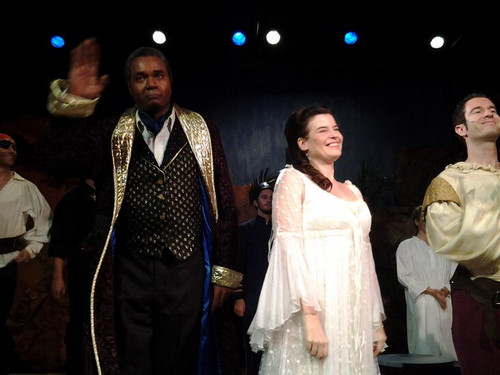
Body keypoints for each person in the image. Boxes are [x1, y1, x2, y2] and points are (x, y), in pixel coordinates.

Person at [41, 37, 242, 375]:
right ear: (129, 87)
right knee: (133, 357)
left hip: (185, 268)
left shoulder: (201, 129)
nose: (151, 82)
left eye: (158, 75)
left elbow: (223, 197)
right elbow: (59, 162)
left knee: (180, 356)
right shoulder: (112, 132)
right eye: (140, 77)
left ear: (170, 81)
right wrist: (75, 102)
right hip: (129, 268)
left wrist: (225, 270)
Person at [248, 105, 387, 374]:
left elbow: (365, 257)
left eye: (336, 128)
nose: (335, 134)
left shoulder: (352, 191)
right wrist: (311, 318)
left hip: (352, 310)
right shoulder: (293, 180)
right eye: (323, 130)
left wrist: (375, 322)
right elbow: (288, 250)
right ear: (303, 143)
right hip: (315, 306)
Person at [422, 92, 500, 375]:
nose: (488, 114)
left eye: (492, 109)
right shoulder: (449, 181)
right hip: (483, 300)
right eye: (477, 111)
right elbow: (449, 240)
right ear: (461, 129)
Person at [0, 133, 52, 375]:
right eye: (4, 145)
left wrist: (31, 249)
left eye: (14, 146)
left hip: (7, 260)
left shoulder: (24, 187)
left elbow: (44, 221)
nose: (11, 150)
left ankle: (11, 364)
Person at [48, 177, 97, 375]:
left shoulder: (113, 196)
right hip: (82, 268)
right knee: (79, 320)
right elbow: (60, 240)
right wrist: (58, 276)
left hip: (112, 271)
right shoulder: (72, 200)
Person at [395, 205, 457, 360]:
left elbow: (455, 273)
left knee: (449, 347)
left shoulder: (445, 247)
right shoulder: (407, 246)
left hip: (445, 302)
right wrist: (431, 291)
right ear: (417, 221)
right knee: (425, 348)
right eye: (424, 218)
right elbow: (405, 275)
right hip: (422, 302)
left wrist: (445, 290)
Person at [233, 172, 275, 375]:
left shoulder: (281, 231)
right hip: (252, 299)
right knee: (254, 351)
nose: (269, 200)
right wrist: (239, 297)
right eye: (264, 197)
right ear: (256, 203)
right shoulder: (244, 230)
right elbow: (237, 266)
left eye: (272, 196)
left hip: (277, 299)